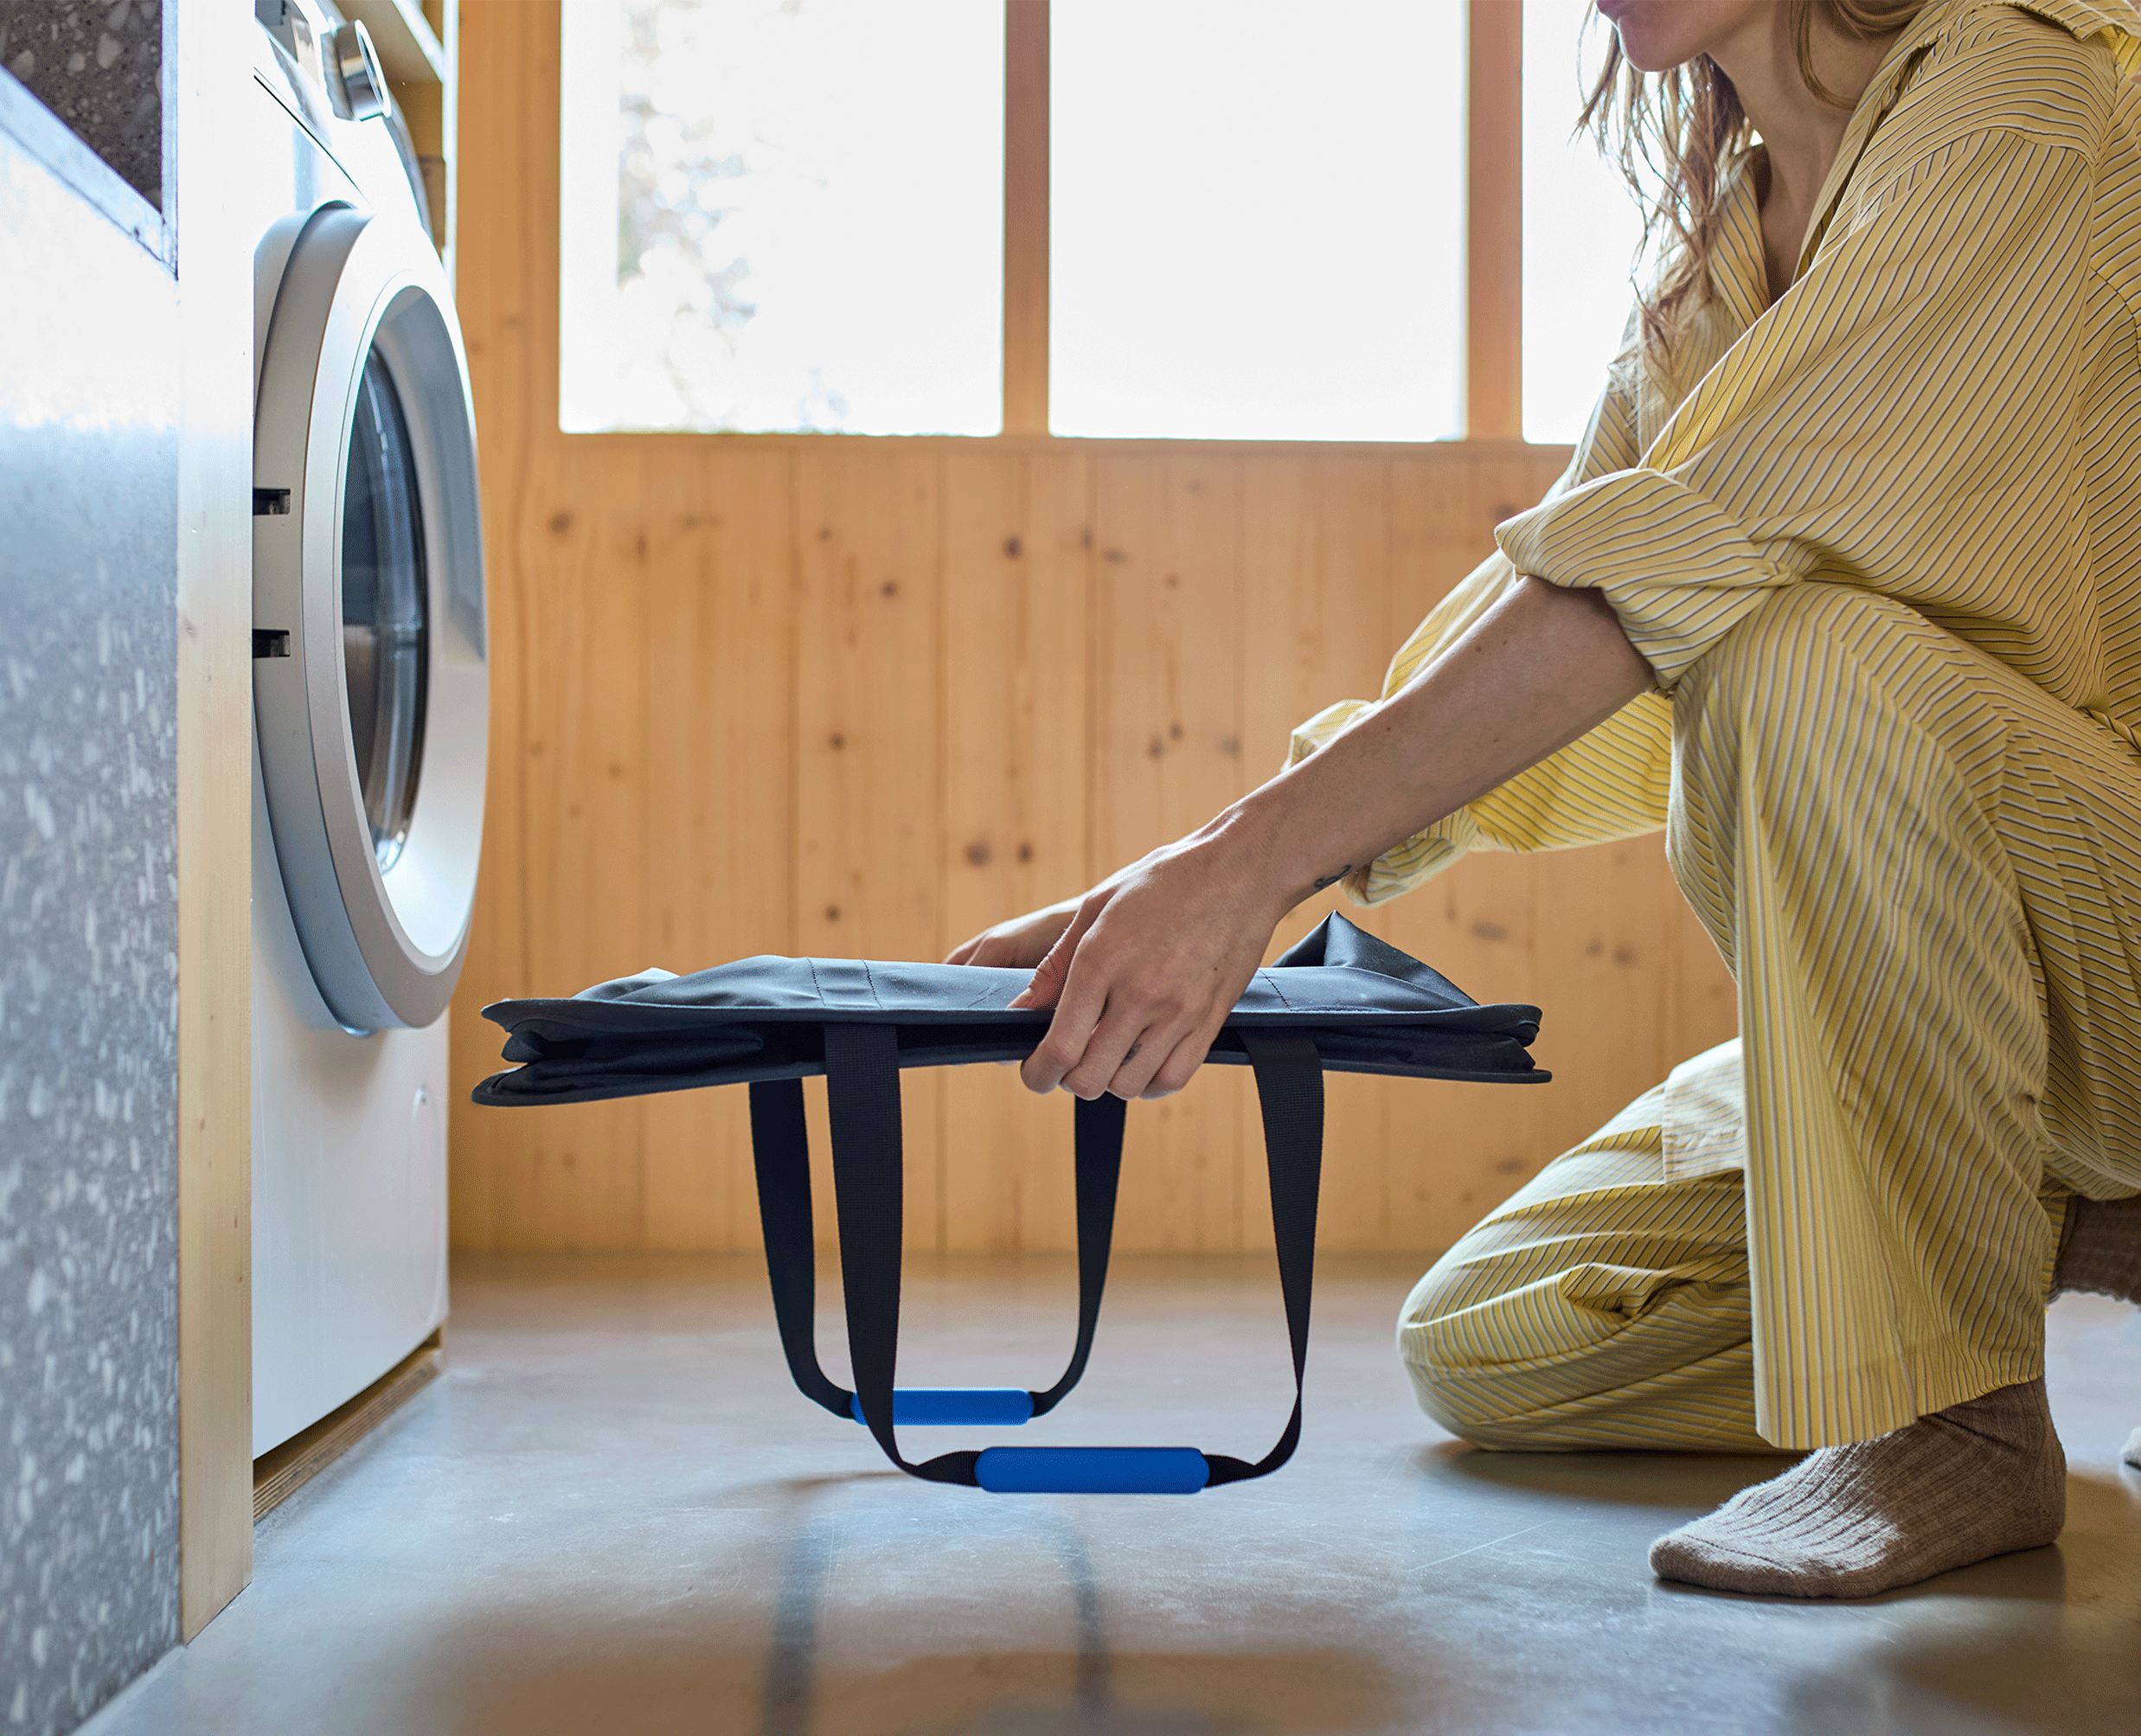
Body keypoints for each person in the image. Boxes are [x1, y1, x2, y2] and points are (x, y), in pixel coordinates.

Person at [946, 0, 2141, 1598]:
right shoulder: (1721, 253)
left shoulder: (2024, 95)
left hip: (2103, 932)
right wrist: (1176, 887)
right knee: (1499, 1338)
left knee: (1800, 658)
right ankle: (2053, 1235)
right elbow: (1540, 606)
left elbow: (1659, 572)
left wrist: (1240, 876)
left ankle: (1950, 1417)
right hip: (1974, 1017)